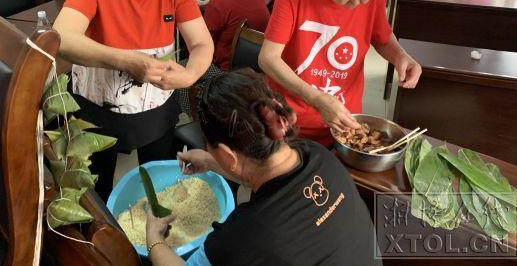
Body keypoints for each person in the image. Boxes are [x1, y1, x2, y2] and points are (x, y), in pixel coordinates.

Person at [53, 0, 214, 200]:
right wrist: (125, 60)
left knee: (157, 185)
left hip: (155, 104)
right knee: (94, 190)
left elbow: (202, 42)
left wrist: (190, 74)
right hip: (96, 107)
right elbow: (62, 36)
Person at [145, 69, 381, 266]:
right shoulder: (317, 154)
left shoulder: (243, 237)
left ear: (229, 154)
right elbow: (261, 170)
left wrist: (154, 238)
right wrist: (210, 161)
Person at [258, 0, 422, 146]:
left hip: (345, 118)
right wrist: (316, 99)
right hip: (292, 117)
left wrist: (400, 56)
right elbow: (268, 58)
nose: (358, 4)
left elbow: (380, 35)